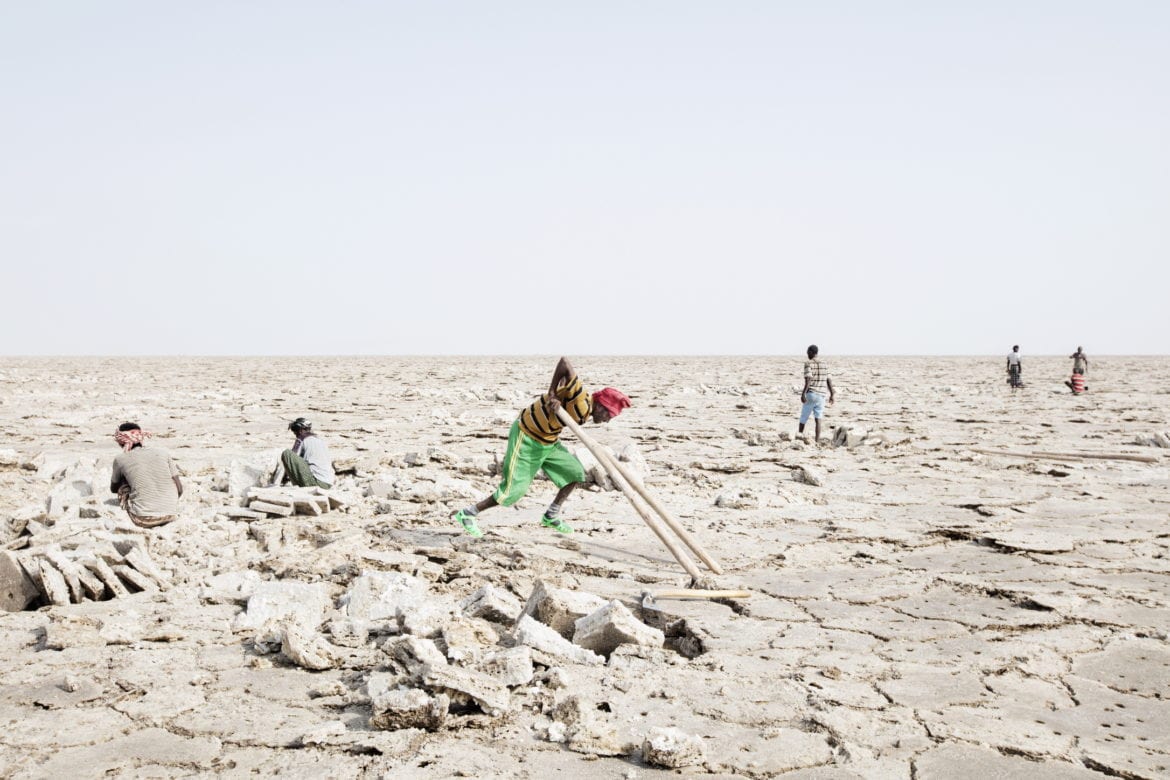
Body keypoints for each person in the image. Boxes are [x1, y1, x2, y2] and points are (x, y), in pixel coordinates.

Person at [452, 357, 630, 538]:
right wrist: (552, 393)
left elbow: (564, 391)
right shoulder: (581, 399)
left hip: (549, 442)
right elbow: (564, 363)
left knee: (574, 473)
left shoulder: (585, 413)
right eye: (609, 415)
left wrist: (558, 396)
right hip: (527, 437)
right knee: (513, 491)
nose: (608, 420)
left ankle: (551, 515)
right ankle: (468, 513)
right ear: (601, 406)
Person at [110, 422, 183, 528]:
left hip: (143, 518)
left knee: (126, 479)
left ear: (121, 442)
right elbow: (179, 489)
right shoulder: (163, 453)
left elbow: (113, 489)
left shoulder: (120, 459)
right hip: (171, 513)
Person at [274, 417, 334, 489]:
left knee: (287, 454)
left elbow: (291, 460)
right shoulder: (320, 440)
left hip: (316, 482)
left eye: (295, 430)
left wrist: (280, 479)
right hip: (328, 483)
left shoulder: (302, 438)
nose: (294, 433)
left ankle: (276, 484)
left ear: (300, 430)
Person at [798, 345, 835, 443]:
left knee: (803, 418)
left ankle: (799, 436)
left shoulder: (808, 363)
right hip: (822, 395)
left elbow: (808, 379)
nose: (807, 354)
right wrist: (832, 394)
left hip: (811, 393)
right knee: (818, 419)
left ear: (811, 352)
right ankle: (817, 441)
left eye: (808, 352)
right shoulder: (824, 364)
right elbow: (829, 380)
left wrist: (803, 393)